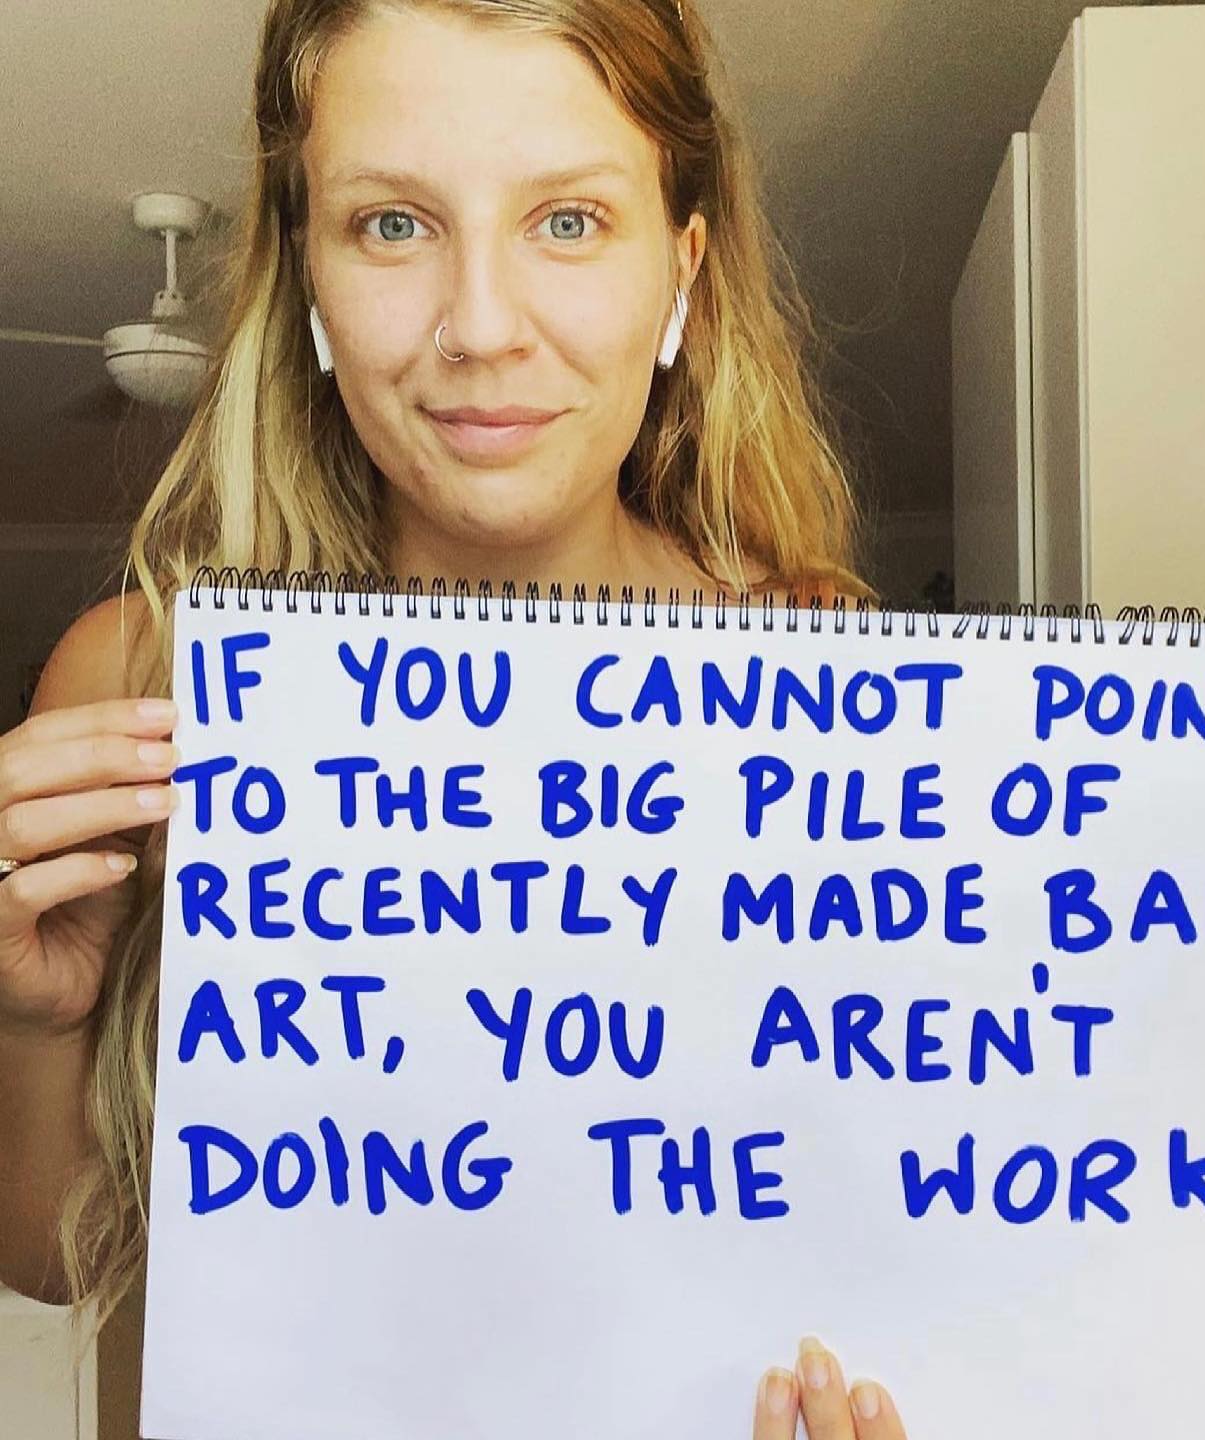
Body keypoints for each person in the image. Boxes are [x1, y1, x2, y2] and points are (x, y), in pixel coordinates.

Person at [0, 1, 905, 1434]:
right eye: (392, 224)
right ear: (308, 272)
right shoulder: (142, 683)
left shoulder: (831, 683)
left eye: (568, 222)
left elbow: (878, 1231)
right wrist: (38, 1021)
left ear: (680, 271)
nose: (481, 328)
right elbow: (55, 1259)